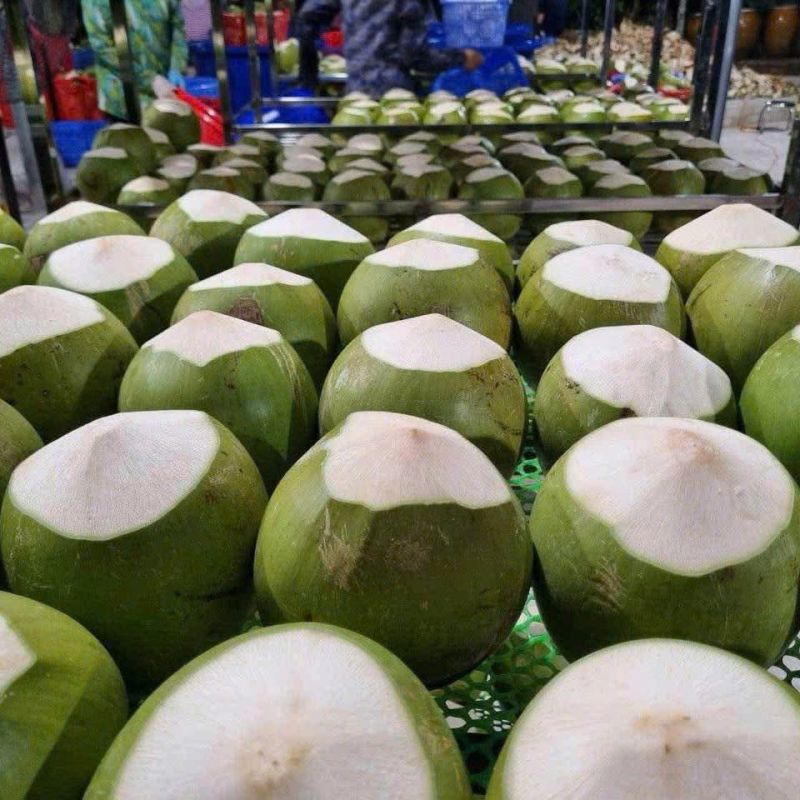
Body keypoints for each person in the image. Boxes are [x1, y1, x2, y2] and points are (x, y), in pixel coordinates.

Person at [297, 0, 483, 97]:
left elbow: (307, 17)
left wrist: (309, 72)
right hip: (395, 99)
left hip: (356, 95)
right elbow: (415, 56)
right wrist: (462, 58)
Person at [81, 0, 188, 119]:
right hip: (122, 97)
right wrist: (151, 80)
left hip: (165, 92)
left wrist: (177, 66)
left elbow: (178, 27)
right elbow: (102, 47)